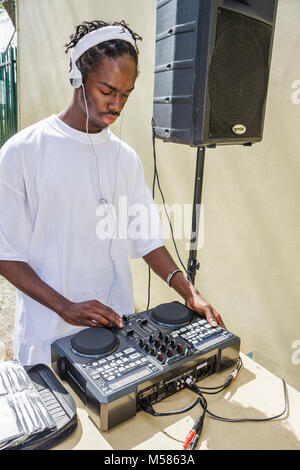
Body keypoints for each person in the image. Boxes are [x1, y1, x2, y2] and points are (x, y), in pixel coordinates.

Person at [0, 20, 225, 366]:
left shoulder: (126, 158)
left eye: (125, 94)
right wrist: (66, 307)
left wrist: (189, 292)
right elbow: (6, 254)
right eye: (107, 91)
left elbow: (146, 240)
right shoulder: (22, 152)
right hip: (48, 335)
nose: (116, 106)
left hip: (115, 332)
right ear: (78, 76)